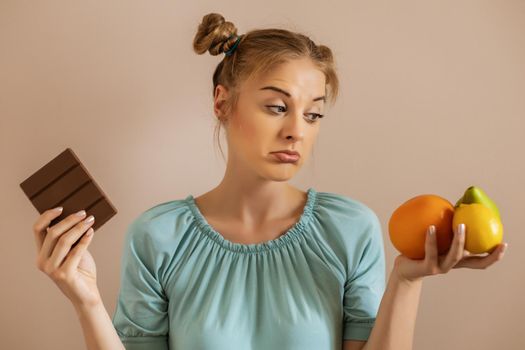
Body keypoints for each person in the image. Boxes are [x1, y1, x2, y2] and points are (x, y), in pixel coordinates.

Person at [31, 12, 508, 350]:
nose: (297, 130)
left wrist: (405, 282)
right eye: (277, 107)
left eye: (314, 113)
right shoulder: (158, 237)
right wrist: (86, 300)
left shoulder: (350, 228)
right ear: (223, 103)